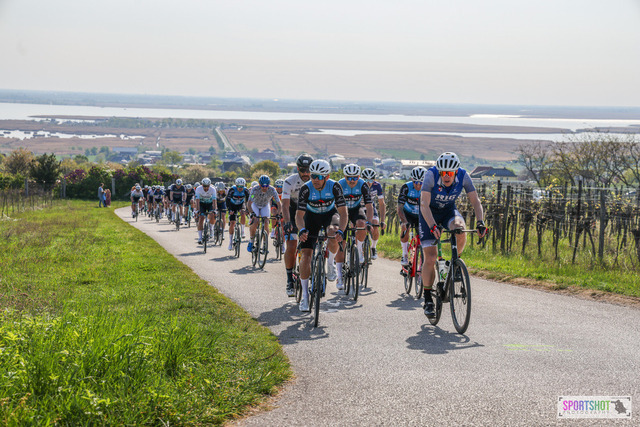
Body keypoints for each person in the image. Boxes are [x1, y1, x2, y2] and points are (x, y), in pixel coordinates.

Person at [419, 152, 487, 317]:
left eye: (449, 173)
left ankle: (455, 262)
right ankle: (428, 298)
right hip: (429, 213)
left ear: (456, 171)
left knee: (459, 228)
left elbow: (475, 201)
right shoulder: (431, 175)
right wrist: (432, 225)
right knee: (431, 257)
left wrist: (480, 222)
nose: (446, 176)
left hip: (448, 211)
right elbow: (424, 204)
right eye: (443, 172)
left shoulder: (463, 176)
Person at [296, 159, 347, 312]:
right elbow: (299, 215)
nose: (315, 180)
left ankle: (330, 263)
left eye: (319, 177)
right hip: (311, 217)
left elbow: (343, 212)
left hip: (329, 215)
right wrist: (301, 230)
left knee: (333, 231)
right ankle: (305, 297)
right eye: (313, 176)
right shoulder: (306, 188)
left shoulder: (335, 186)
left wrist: (341, 231)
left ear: (327, 176)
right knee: (306, 255)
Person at [334, 164, 373, 290]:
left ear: (359, 177)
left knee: (362, 223)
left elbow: (369, 206)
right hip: (342, 211)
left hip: (356, 209)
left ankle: (359, 250)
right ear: (344, 177)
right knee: (341, 243)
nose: (352, 181)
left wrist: (369, 222)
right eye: (349, 178)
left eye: (355, 178)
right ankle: (339, 276)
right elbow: (334, 205)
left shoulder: (363, 185)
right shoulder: (339, 185)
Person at [282, 153, 313, 297]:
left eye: (308, 170)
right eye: (302, 170)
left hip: (309, 212)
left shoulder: (316, 181)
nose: (306, 173)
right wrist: (287, 222)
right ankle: (289, 279)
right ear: (298, 169)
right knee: (292, 245)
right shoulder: (289, 181)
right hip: (293, 212)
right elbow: (285, 205)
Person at [397, 167, 427, 266]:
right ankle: (404, 254)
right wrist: (404, 222)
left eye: (421, 183)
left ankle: (422, 262)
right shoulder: (406, 187)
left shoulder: (428, 189)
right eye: (416, 182)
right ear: (412, 180)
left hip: (421, 215)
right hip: (407, 214)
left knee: (425, 237)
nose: (418, 185)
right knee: (405, 227)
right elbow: (400, 208)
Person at [247, 175, 282, 253]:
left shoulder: (272, 190)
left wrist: (278, 214)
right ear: (259, 184)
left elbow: (279, 203)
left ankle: (265, 244)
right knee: (255, 221)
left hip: (265, 205)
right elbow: (249, 203)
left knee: (266, 222)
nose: (264, 188)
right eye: (263, 186)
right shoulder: (255, 189)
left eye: (266, 186)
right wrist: (251, 213)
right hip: (255, 205)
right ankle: (251, 241)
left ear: (269, 185)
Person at [362, 168, 385, 259]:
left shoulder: (377, 186)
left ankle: (373, 247)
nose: (368, 183)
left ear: (374, 180)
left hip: (370, 207)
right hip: (359, 207)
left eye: (371, 180)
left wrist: (382, 221)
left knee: (375, 223)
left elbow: (382, 204)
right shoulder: (359, 184)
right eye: (366, 180)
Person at [226, 177, 250, 250]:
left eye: (242, 186)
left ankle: (242, 231)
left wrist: (247, 210)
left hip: (240, 204)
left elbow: (249, 199)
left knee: (243, 213)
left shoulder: (246, 190)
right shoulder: (232, 189)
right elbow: (227, 199)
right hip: (232, 205)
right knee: (232, 223)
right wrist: (229, 209)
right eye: (239, 186)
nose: (240, 188)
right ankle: (230, 242)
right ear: (236, 185)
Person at [195, 178, 217, 244]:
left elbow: (214, 201)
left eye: (207, 186)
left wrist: (214, 210)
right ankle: (200, 237)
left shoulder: (213, 189)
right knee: (201, 218)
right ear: (202, 185)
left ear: (209, 185)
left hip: (210, 204)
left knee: (212, 215)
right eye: (204, 186)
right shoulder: (198, 189)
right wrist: (197, 210)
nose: (206, 188)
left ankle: (211, 229)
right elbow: (197, 201)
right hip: (201, 204)